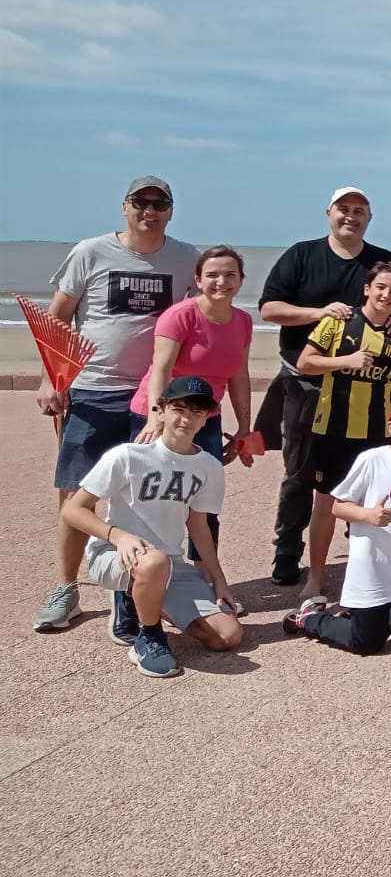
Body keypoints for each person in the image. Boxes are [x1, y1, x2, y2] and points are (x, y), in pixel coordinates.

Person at [34, 176, 200, 633]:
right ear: (125, 207)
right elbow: (57, 319)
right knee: (75, 492)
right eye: (140, 202)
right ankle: (66, 589)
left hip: (153, 398)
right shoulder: (91, 251)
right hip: (91, 390)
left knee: (145, 496)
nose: (150, 210)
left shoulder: (187, 258)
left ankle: (132, 594)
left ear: (171, 209)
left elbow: (199, 319)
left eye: (160, 203)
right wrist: (53, 380)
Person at [260, 186, 391, 588]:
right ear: (329, 213)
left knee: (366, 479)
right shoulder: (302, 255)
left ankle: (360, 555)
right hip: (306, 385)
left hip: (367, 395)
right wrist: (319, 313)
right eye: (344, 209)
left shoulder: (383, 262)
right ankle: (287, 554)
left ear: (369, 218)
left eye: (360, 211)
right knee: (301, 475)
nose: (351, 217)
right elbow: (268, 309)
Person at [58, 376, 243, 677]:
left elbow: (198, 526)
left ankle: (140, 597)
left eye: (196, 412)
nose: (186, 418)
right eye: (179, 409)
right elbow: (72, 509)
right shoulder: (128, 456)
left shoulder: (209, 466)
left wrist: (219, 580)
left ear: (206, 417)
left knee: (227, 636)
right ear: (160, 411)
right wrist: (117, 536)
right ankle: (149, 637)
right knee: (153, 562)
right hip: (114, 553)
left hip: (169, 563)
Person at [281, 394, 391, 654]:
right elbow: (338, 506)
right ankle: (311, 619)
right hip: (374, 566)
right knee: (365, 644)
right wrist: (368, 516)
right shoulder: (372, 460)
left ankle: (382, 614)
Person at [294, 260, 391, 608]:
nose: (386, 295)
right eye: (381, 287)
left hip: (376, 430)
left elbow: (389, 383)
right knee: (326, 504)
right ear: (367, 288)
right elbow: (305, 362)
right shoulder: (339, 321)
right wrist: (344, 360)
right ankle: (316, 576)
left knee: (372, 506)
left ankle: (369, 575)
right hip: (332, 427)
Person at [129, 245, 252, 573]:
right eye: (212, 275)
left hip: (205, 419)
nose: (221, 281)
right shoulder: (181, 314)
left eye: (230, 274)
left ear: (241, 281)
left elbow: (240, 375)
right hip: (159, 415)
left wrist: (244, 427)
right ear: (198, 279)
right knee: (153, 499)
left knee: (205, 503)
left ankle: (206, 580)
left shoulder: (243, 321)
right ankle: (147, 581)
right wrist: (157, 417)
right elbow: (162, 369)